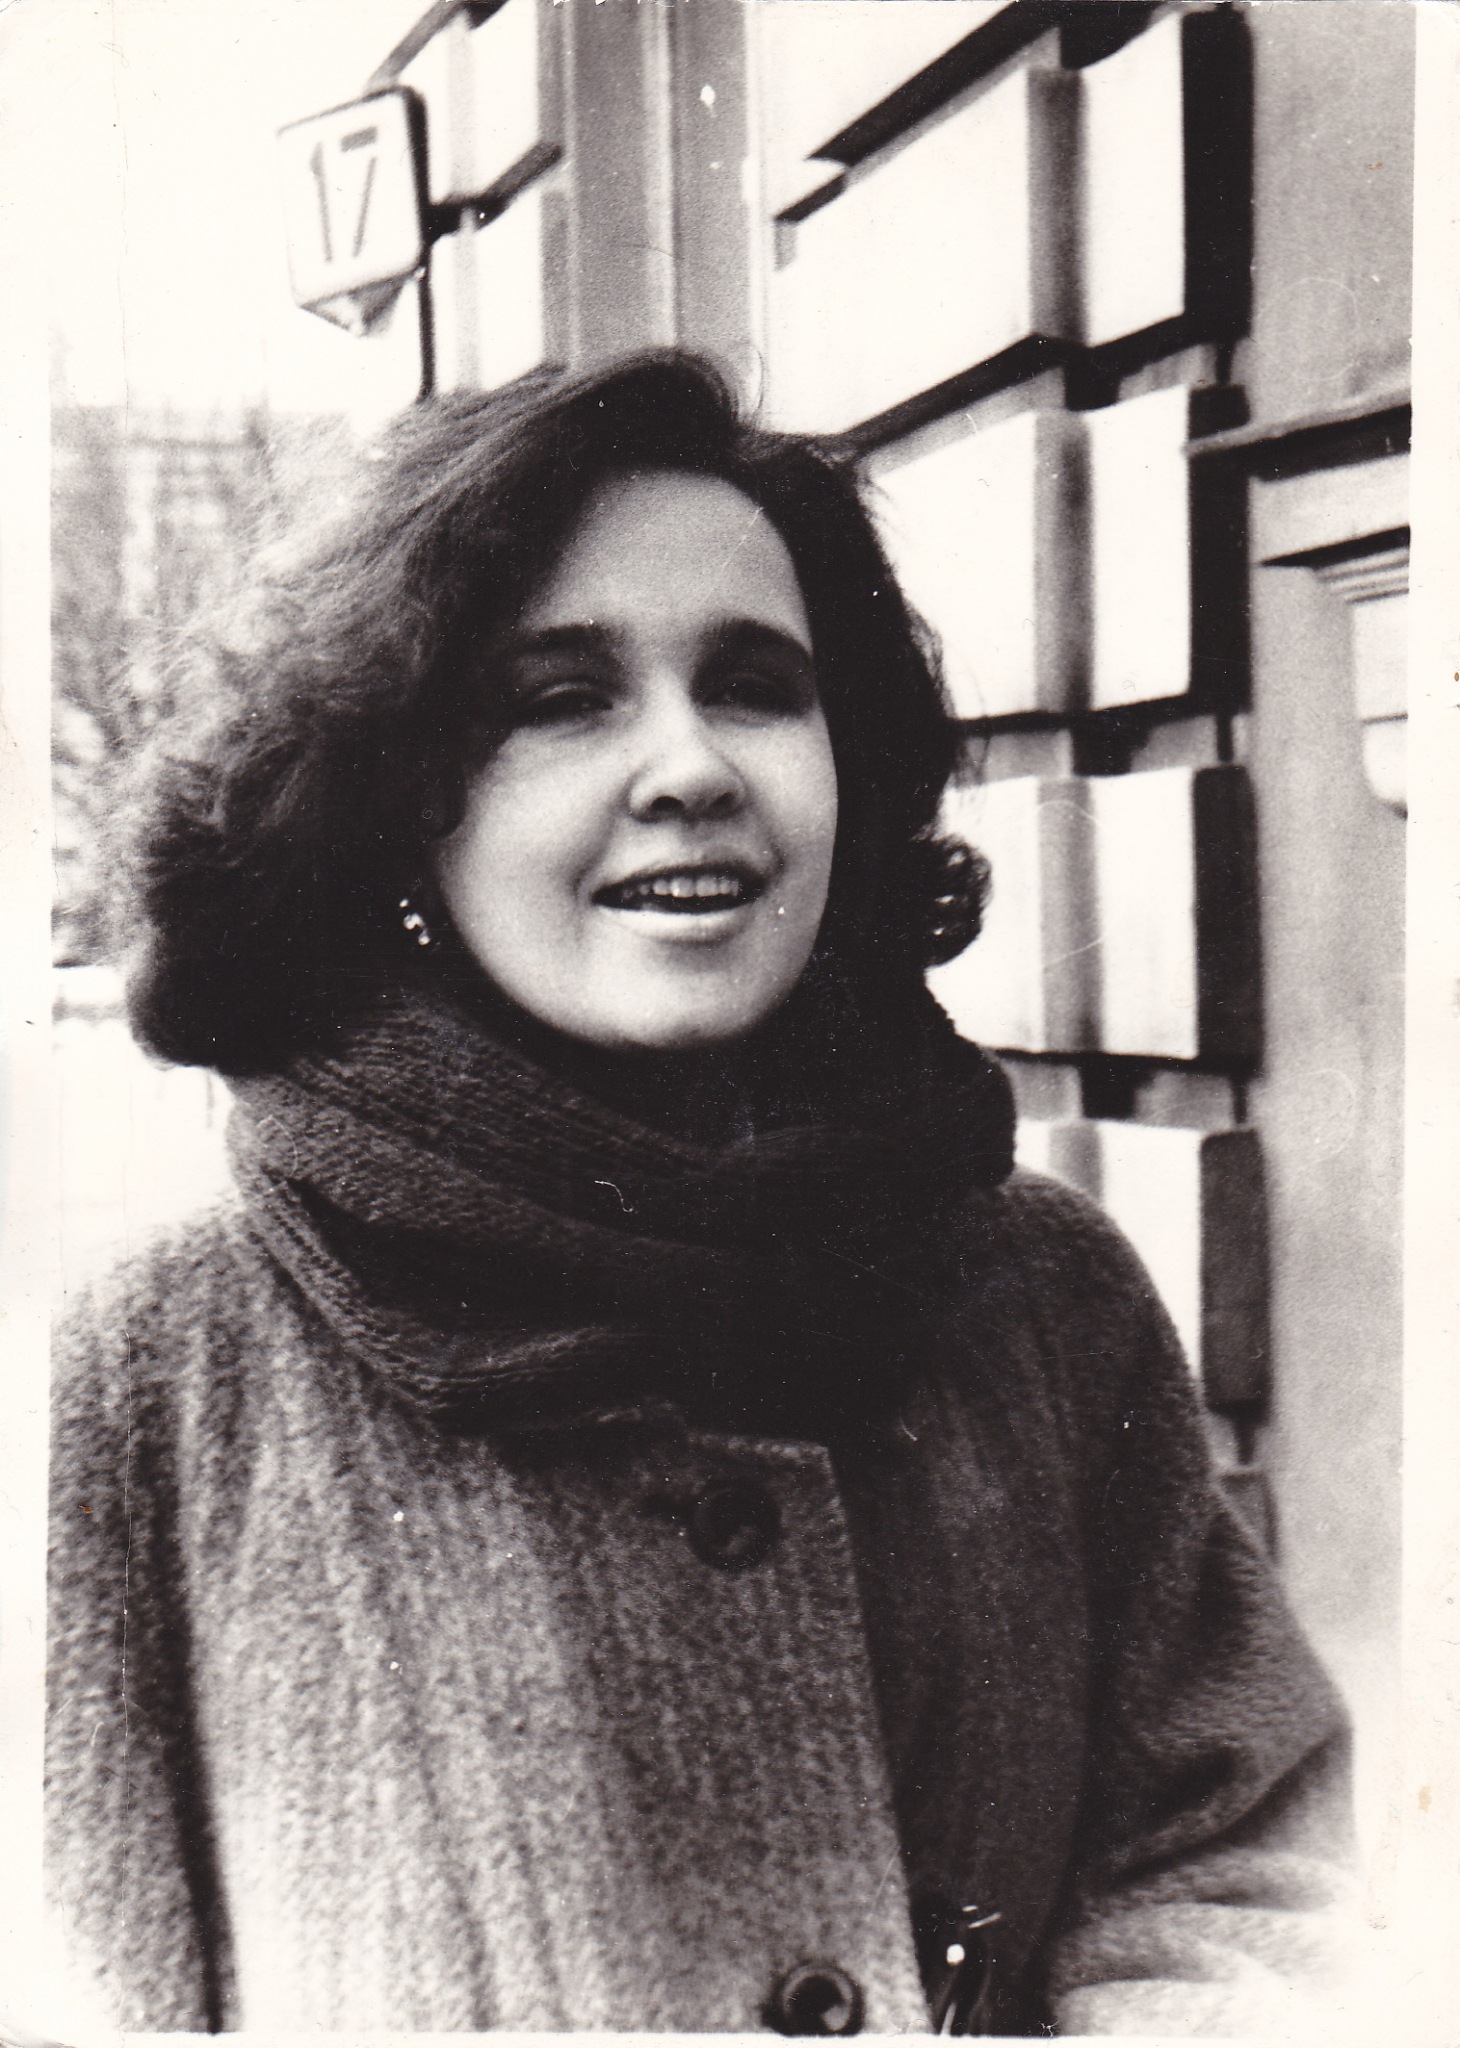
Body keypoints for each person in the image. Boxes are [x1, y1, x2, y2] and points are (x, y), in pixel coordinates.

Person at [47, 352, 1351, 2035]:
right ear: (392, 809)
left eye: (754, 686)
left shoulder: (1040, 1290)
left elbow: (1247, 1863)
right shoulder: (154, 1376)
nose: (691, 767)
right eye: (562, 697)